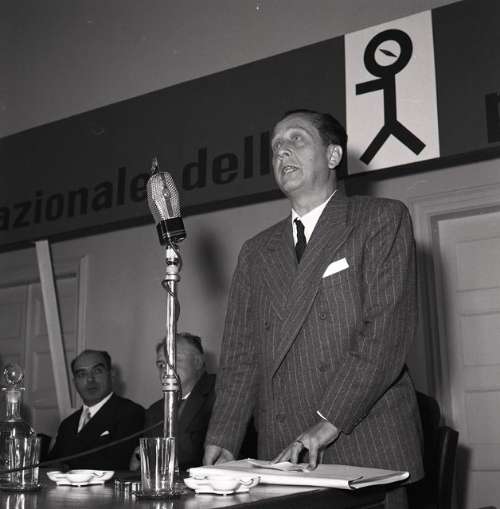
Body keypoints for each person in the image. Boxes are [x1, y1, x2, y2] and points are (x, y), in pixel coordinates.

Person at [203, 109, 424, 508]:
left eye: (296, 139)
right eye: (275, 146)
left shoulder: (380, 218)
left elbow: (384, 335)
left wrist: (328, 422)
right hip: (281, 456)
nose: (281, 151)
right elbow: (240, 356)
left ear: (334, 155)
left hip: (364, 446)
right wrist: (224, 435)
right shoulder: (256, 251)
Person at [130, 333, 216, 471]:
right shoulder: (155, 411)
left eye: (172, 362)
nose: (166, 370)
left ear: (198, 362)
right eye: (161, 365)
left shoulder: (221, 393)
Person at [48, 349, 145, 470]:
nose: (90, 379)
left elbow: (119, 464)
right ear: (75, 382)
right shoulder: (67, 424)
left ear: (111, 374)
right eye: (82, 374)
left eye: (97, 371)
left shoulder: (131, 413)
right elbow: (50, 467)